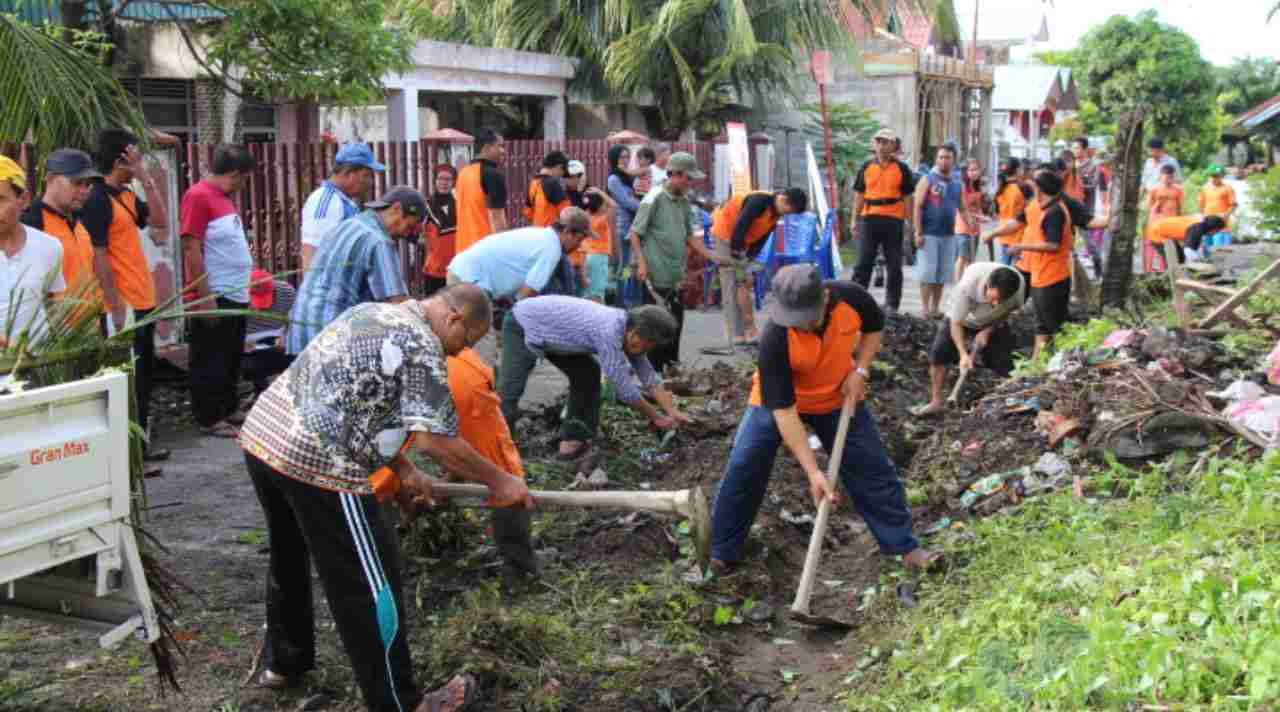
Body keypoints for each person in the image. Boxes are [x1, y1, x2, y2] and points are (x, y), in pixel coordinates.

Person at [239, 283, 533, 712]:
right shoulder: (423, 345)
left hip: (264, 434)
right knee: (371, 582)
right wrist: (501, 481)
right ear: (453, 318)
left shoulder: (375, 312)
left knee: (289, 553)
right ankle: (399, 701)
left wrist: (405, 471)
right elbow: (438, 442)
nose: (458, 354)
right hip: (319, 460)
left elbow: (363, 403)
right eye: (464, 342)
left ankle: (286, 662)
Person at [709, 264, 938, 575]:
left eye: (807, 319)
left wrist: (860, 370)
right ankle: (722, 552)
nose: (801, 327)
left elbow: (874, 329)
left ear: (825, 297)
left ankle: (905, 547)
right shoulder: (776, 336)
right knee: (744, 465)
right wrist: (814, 471)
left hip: (835, 395)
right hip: (776, 402)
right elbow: (785, 413)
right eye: (794, 321)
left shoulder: (852, 298)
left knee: (871, 467)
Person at [499, 298, 690, 459]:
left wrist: (672, 411)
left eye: (650, 346)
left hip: (560, 335)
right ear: (634, 331)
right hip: (523, 323)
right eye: (644, 342)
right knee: (510, 390)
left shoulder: (631, 332)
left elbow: (649, 377)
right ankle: (500, 451)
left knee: (588, 374)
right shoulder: (609, 331)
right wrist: (656, 417)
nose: (643, 349)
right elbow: (625, 390)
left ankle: (574, 440)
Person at [83, 128, 170, 462]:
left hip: (142, 298)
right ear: (122, 156)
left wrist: (145, 177)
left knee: (144, 374)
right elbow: (99, 253)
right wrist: (114, 302)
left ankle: (139, 445)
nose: (140, 158)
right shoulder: (97, 198)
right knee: (128, 379)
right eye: (135, 153)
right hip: (123, 304)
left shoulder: (126, 195)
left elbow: (160, 222)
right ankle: (127, 451)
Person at [983, 169, 1109, 361]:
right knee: (1031, 313)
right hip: (1031, 269)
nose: (1030, 185)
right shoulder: (1035, 205)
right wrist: (994, 233)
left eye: (1034, 183)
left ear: (1041, 188)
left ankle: (1046, 362)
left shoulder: (1057, 210)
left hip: (1052, 275)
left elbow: (1054, 244)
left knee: (1049, 324)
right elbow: (1017, 223)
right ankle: (999, 338)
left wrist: (1020, 246)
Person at [287, 186, 425, 355]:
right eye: (409, 226)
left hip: (300, 331)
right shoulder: (378, 241)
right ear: (396, 209)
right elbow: (398, 303)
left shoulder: (348, 225)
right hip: (329, 339)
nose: (406, 234)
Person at [180, 145, 257, 438]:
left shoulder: (224, 199)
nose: (242, 186)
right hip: (215, 290)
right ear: (234, 174)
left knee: (229, 353)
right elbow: (191, 245)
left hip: (236, 290)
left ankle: (227, 406)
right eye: (243, 180)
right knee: (209, 355)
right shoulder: (198, 196)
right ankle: (209, 415)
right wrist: (204, 293)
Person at [630, 152, 715, 373]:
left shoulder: (684, 202)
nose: (690, 183)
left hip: (675, 276)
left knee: (675, 323)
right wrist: (641, 263)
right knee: (655, 327)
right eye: (688, 178)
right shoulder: (654, 197)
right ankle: (652, 374)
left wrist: (714, 257)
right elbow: (635, 234)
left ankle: (671, 368)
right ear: (675, 174)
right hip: (654, 273)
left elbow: (691, 237)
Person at [912, 264, 1025, 416]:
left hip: (993, 322)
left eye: (1000, 301)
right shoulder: (967, 287)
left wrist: (988, 330)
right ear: (987, 285)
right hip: (962, 319)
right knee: (939, 354)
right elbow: (955, 323)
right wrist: (963, 353)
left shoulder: (1018, 289)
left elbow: (1009, 311)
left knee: (1002, 362)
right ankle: (936, 401)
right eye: (992, 298)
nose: (995, 304)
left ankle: (1002, 402)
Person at [710, 188, 809, 346]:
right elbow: (741, 225)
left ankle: (747, 331)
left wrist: (750, 258)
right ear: (784, 200)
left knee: (743, 284)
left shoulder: (777, 212)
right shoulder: (758, 202)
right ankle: (735, 335)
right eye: (789, 210)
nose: (788, 215)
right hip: (726, 232)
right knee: (731, 282)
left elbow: (762, 237)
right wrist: (737, 254)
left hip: (742, 239)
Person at [446, 206, 592, 300]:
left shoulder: (542, 235)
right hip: (471, 281)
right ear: (567, 232)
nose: (579, 245)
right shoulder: (551, 249)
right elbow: (527, 293)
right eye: (579, 239)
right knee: (483, 344)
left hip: (464, 272)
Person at [21, 149, 100, 321]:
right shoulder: (32, 223)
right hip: (55, 339)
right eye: (77, 182)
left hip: (88, 333)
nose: (84, 190)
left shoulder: (80, 223)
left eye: (88, 184)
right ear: (50, 179)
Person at [0, 155, 66, 348]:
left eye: (0, 200)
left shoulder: (48, 247)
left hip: (39, 368)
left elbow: (56, 300)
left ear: (24, 199)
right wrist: (11, 347)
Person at [851, 128, 916, 317]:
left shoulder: (901, 168)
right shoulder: (866, 167)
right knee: (863, 262)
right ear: (874, 144)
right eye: (878, 141)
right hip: (869, 218)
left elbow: (908, 197)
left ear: (893, 145)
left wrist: (909, 223)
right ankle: (857, 302)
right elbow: (859, 195)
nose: (881, 145)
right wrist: (854, 219)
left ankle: (892, 305)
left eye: (886, 142)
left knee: (894, 264)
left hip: (894, 219)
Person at [299, 143, 384, 272]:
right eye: (366, 175)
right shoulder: (326, 203)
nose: (370, 183)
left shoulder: (343, 201)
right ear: (349, 173)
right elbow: (312, 254)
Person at [912, 143, 970, 319]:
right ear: (937, 159)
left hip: (949, 235)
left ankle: (936, 308)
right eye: (941, 157)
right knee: (928, 274)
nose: (944, 161)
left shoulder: (957, 184)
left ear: (954, 160)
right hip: (929, 234)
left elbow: (962, 208)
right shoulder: (927, 179)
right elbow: (917, 206)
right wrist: (918, 232)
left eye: (947, 157)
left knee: (942, 274)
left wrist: (970, 223)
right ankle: (925, 309)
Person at [242, 268, 296, 399]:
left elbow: (294, 318)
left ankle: (288, 390)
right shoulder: (240, 297)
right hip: (250, 343)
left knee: (296, 356)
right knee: (250, 365)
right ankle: (261, 391)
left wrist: (286, 336)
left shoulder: (286, 291)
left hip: (277, 337)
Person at [454, 127, 508, 254]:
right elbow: (497, 217)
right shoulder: (493, 175)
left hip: (462, 251)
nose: (503, 151)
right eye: (500, 146)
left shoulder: (463, 173)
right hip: (484, 251)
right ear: (487, 147)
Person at [607, 145, 642, 306]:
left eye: (628, 157)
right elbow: (626, 202)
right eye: (622, 157)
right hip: (625, 227)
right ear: (614, 159)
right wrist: (646, 206)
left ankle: (632, 299)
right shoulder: (614, 179)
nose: (626, 160)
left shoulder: (628, 177)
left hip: (637, 225)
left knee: (634, 265)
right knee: (626, 265)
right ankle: (622, 301)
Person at [422, 164, 457, 297]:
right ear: (434, 181)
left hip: (455, 269)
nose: (444, 183)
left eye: (448, 179)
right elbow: (416, 232)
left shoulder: (459, 205)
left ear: (453, 182)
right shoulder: (426, 205)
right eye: (440, 179)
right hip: (433, 270)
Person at [987, 158, 1027, 267]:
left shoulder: (1001, 188)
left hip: (1003, 231)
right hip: (1019, 232)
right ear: (1018, 170)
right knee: (1017, 269)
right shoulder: (1022, 187)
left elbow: (996, 212)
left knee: (1004, 266)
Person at [580, 186, 617, 303]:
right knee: (597, 294)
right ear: (600, 206)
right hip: (598, 257)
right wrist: (599, 191)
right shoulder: (602, 219)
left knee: (585, 293)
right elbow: (614, 205)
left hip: (584, 257)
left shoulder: (583, 217)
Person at [1145, 165, 1184, 272]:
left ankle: (1171, 272)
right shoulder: (1155, 190)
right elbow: (1150, 208)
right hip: (1159, 224)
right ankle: (1153, 271)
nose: (1169, 180)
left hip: (1173, 224)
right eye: (1166, 177)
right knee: (1160, 249)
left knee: (1174, 251)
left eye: (1171, 177)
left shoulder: (1178, 190)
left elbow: (1180, 207)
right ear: (1161, 176)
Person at [953, 157, 987, 277]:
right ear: (965, 172)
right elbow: (962, 208)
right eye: (971, 170)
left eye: (976, 169)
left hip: (975, 228)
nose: (974, 172)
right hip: (963, 227)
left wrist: (982, 217)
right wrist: (973, 218)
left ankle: (967, 284)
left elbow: (978, 208)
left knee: (971, 260)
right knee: (962, 257)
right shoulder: (961, 187)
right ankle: (958, 285)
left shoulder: (977, 187)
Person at [1149, 214, 1227, 266]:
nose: (1216, 234)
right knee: (1175, 260)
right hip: (1157, 233)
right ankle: (1172, 279)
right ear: (1214, 228)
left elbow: (1200, 248)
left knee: (1180, 258)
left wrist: (1208, 258)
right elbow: (1189, 251)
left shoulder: (1202, 226)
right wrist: (1202, 263)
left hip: (1164, 230)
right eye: (1217, 231)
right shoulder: (1197, 229)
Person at [523, 151, 570, 227]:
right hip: (551, 232)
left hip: (537, 231)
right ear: (559, 167)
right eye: (563, 172)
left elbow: (527, 212)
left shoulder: (533, 183)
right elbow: (566, 212)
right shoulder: (553, 183)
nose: (561, 176)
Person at [1198, 164, 1236, 255]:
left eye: (1216, 176)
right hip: (1208, 226)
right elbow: (1202, 205)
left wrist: (1225, 215)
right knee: (1207, 251)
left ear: (1222, 176)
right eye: (1212, 176)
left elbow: (1233, 205)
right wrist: (1202, 217)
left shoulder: (1227, 189)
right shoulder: (1204, 188)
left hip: (1221, 227)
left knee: (1220, 252)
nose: (1214, 178)